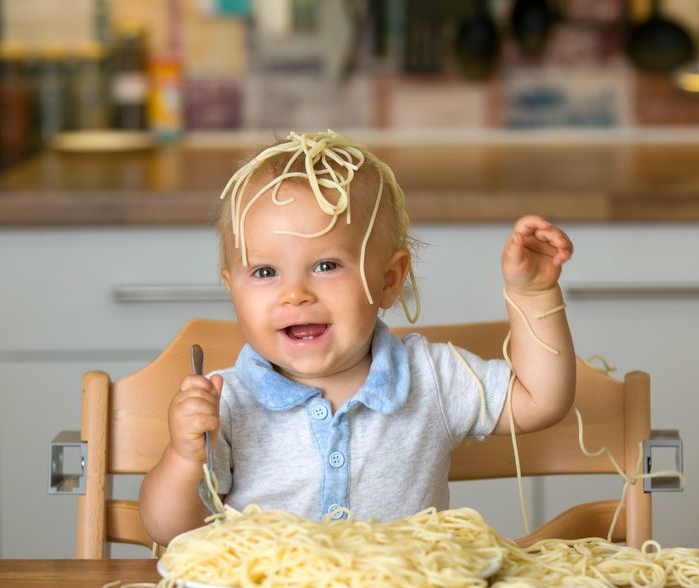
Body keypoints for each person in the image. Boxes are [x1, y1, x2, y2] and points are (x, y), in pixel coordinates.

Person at [140, 131, 576, 546]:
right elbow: (170, 531)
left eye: (327, 265)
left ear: (389, 281)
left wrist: (533, 294)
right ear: (232, 287)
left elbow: (540, 399)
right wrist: (183, 457)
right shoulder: (225, 403)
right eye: (265, 272)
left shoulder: (432, 379)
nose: (295, 294)